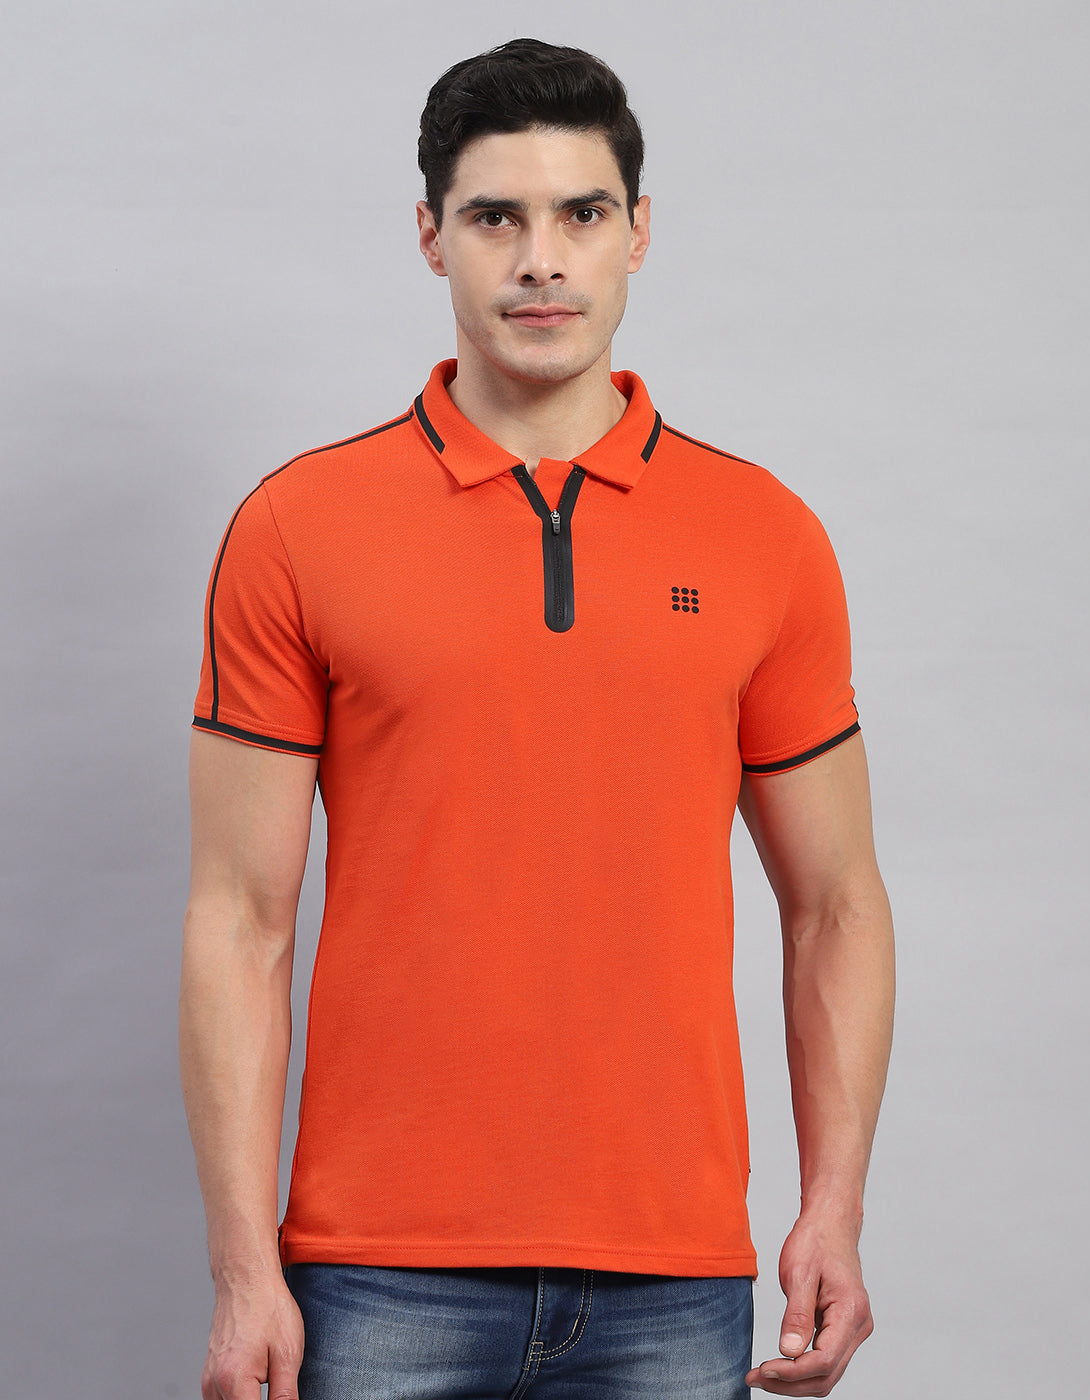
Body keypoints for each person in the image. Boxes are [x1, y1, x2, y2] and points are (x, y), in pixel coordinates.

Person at [179, 37, 894, 1400]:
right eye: (496, 218)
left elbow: (838, 907)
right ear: (431, 238)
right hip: (374, 1270)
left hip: (674, 1271)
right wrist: (241, 1269)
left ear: (639, 234)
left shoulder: (766, 536)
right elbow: (238, 919)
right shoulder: (296, 528)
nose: (541, 261)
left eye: (582, 214)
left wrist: (834, 1207)